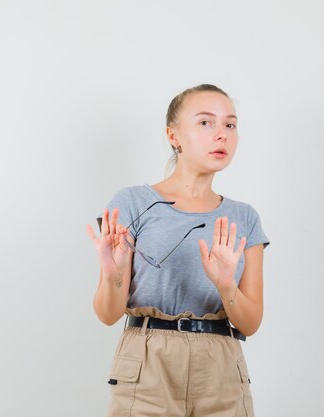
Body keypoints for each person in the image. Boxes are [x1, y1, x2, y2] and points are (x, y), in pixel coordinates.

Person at [86, 84, 270, 417]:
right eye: (205, 122)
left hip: (222, 371)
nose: (222, 134)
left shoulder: (244, 217)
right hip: (147, 364)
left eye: (230, 124)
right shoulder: (133, 203)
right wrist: (112, 276)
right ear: (174, 136)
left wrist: (227, 286)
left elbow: (251, 322)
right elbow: (108, 314)